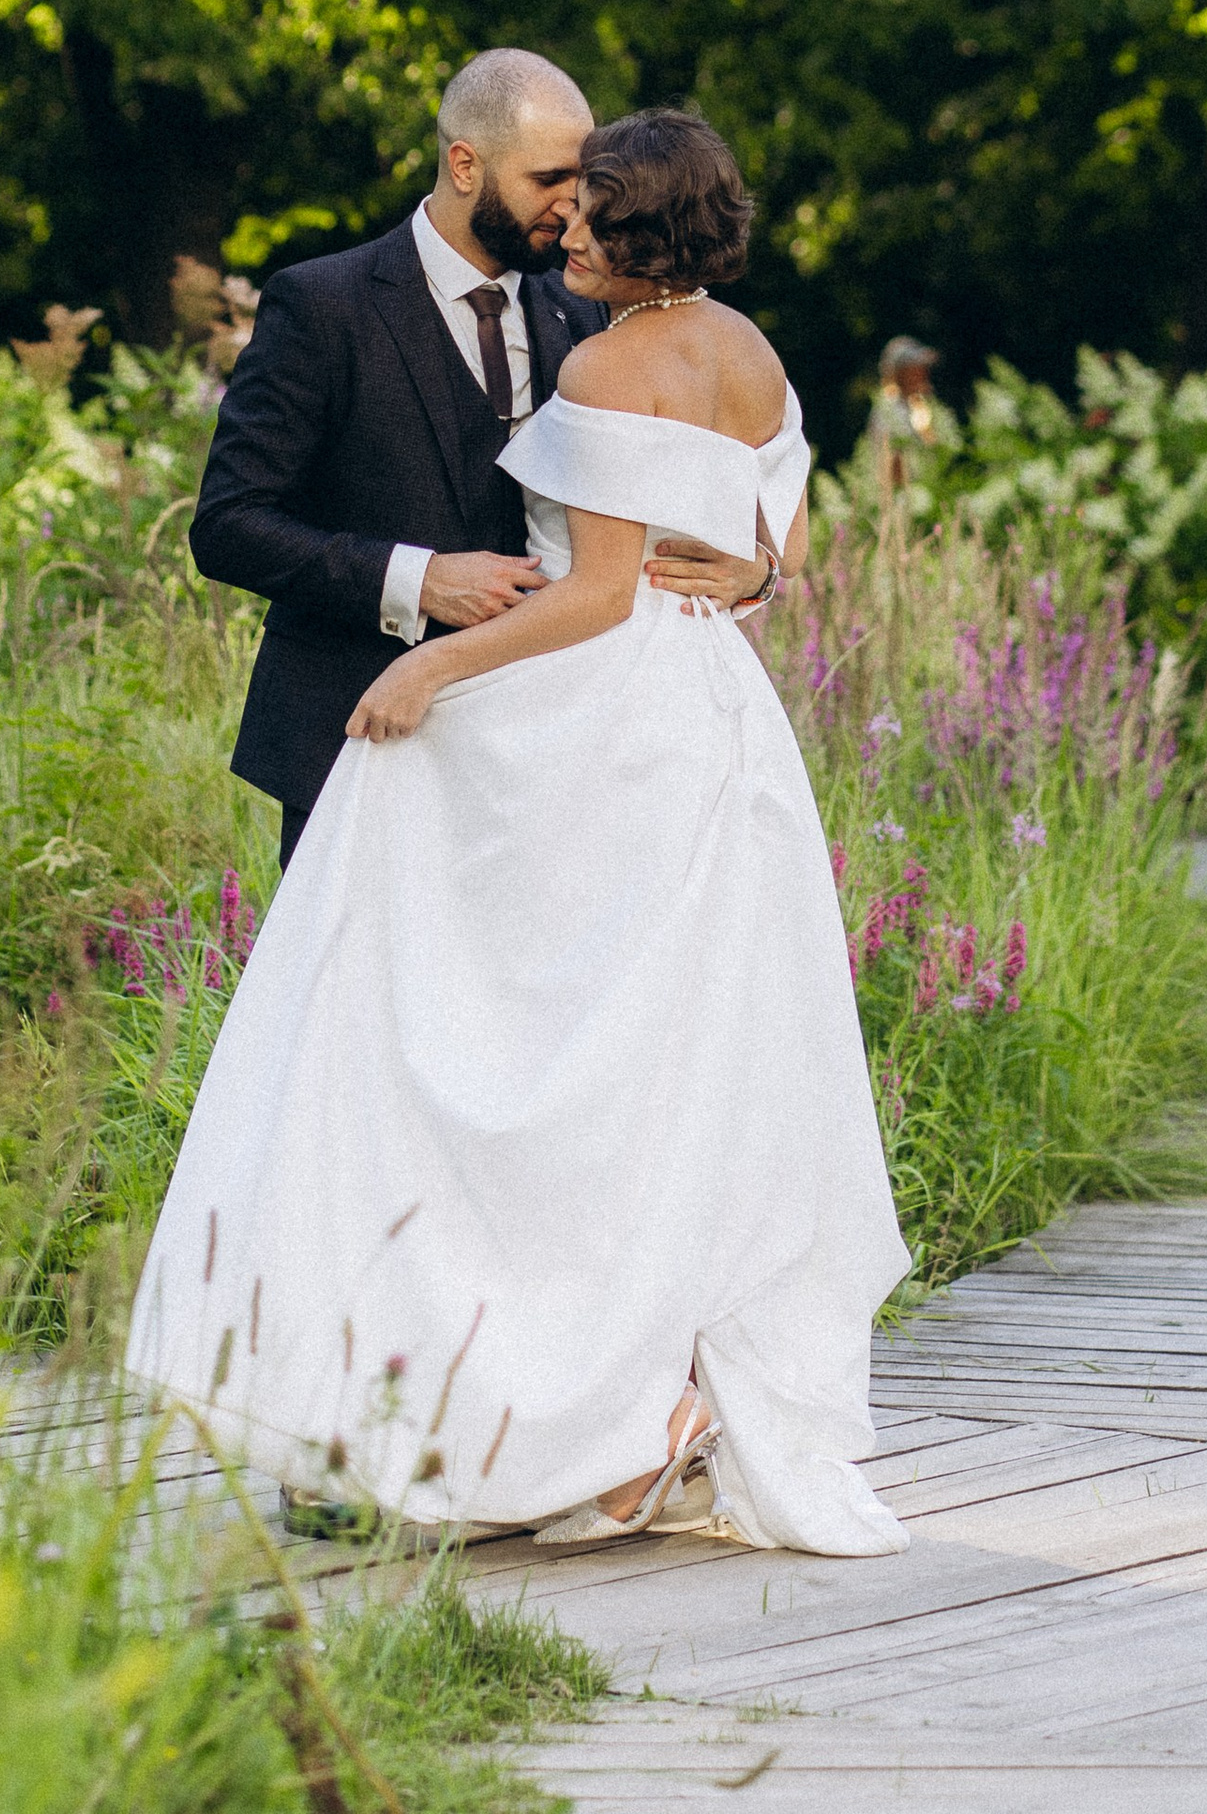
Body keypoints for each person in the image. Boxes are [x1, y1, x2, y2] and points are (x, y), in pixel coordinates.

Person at [126, 106, 910, 1555]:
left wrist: (423, 662)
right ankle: (527, 1416)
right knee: (629, 1077)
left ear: (639, 226)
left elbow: (598, 592)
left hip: (580, 723)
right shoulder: (743, 347)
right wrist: (724, 576)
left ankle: (579, 1423)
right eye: (560, 195)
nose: (566, 230)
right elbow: (768, 543)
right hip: (704, 729)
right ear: (471, 155)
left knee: (519, 1066)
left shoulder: (607, 348)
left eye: (591, 209)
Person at [189, 46, 771, 864]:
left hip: (546, 753)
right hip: (364, 724)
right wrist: (418, 579)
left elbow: (701, 486)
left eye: (586, 179)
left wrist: (755, 569)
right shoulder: (323, 306)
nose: (574, 206)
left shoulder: (593, 314)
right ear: (465, 164)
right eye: (549, 179)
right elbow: (228, 525)